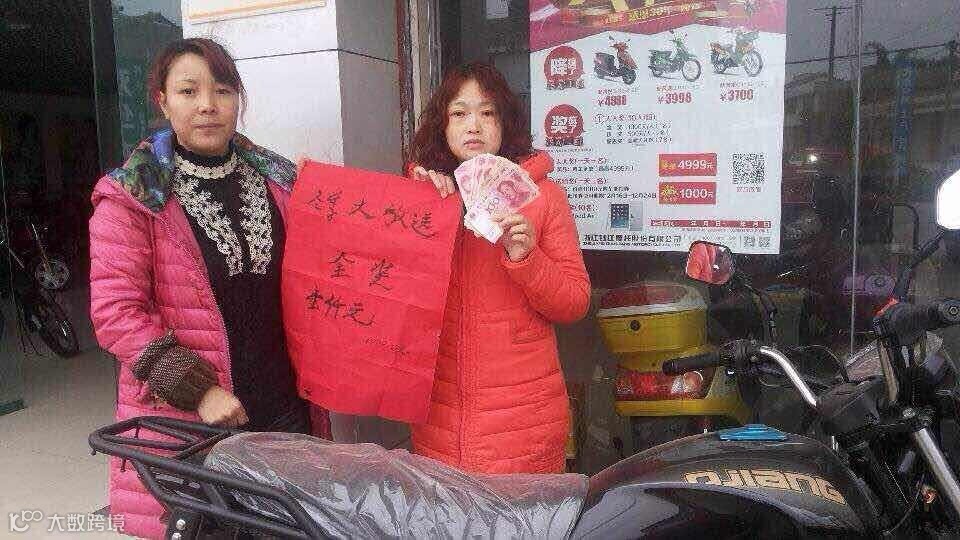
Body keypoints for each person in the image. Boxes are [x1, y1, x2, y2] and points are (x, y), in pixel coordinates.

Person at [88, 38, 328, 539]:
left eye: (222, 91)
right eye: (188, 91)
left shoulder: (281, 180)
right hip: (195, 424)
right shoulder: (133, 195)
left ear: (238, 99)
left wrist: (428, 187)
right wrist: (200, 391)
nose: (207, 105)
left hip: (284, 408)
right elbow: (116, 312)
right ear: (163, 101)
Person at [407, 62, 591, 474]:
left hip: (523, 423)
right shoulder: (423, 196)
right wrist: (415, 206)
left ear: (505, 121)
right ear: (442, 125)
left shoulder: (544, 197)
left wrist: (527, 258)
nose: (473, 125)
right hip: (438, 420)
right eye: (459, 113)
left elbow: (574, 303)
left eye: (487, 112)